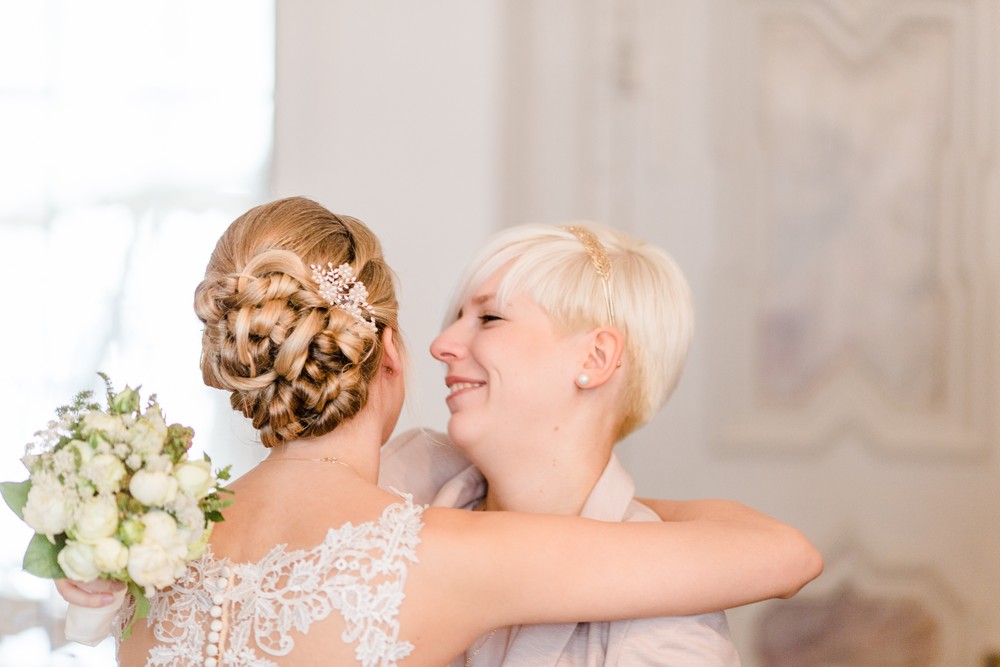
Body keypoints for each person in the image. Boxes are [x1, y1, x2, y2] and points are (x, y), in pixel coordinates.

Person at [58, 197, 822, 666]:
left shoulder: (151, 552)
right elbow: (783, 555)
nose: (443, 344)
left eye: (487, 316)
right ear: (384, 350)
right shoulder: (430, 542)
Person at [377, 222, 751, 665]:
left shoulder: (668, 622)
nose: (441, 345)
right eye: (456, 319)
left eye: (490, 318)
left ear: (595, 358)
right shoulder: (405, 481)